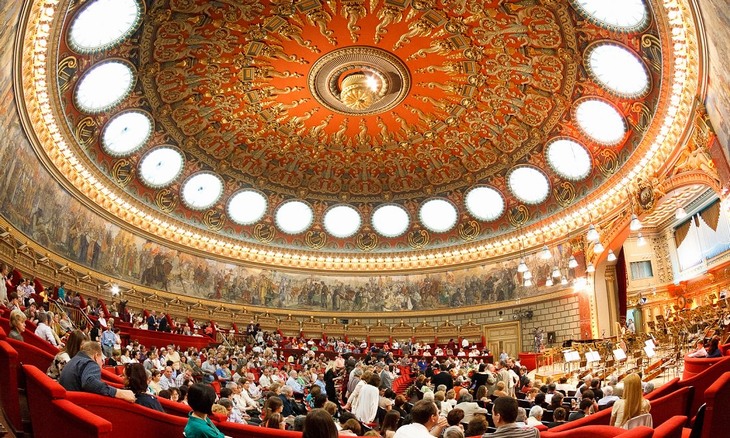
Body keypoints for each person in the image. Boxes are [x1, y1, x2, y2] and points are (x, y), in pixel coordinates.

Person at [59, 341, 135, 402]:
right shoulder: (91, 363)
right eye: (101, 359)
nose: (102, 363)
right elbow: (89, 382)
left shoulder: (74, 360)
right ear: (96, 356)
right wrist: (118, 393)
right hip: (77, 406)